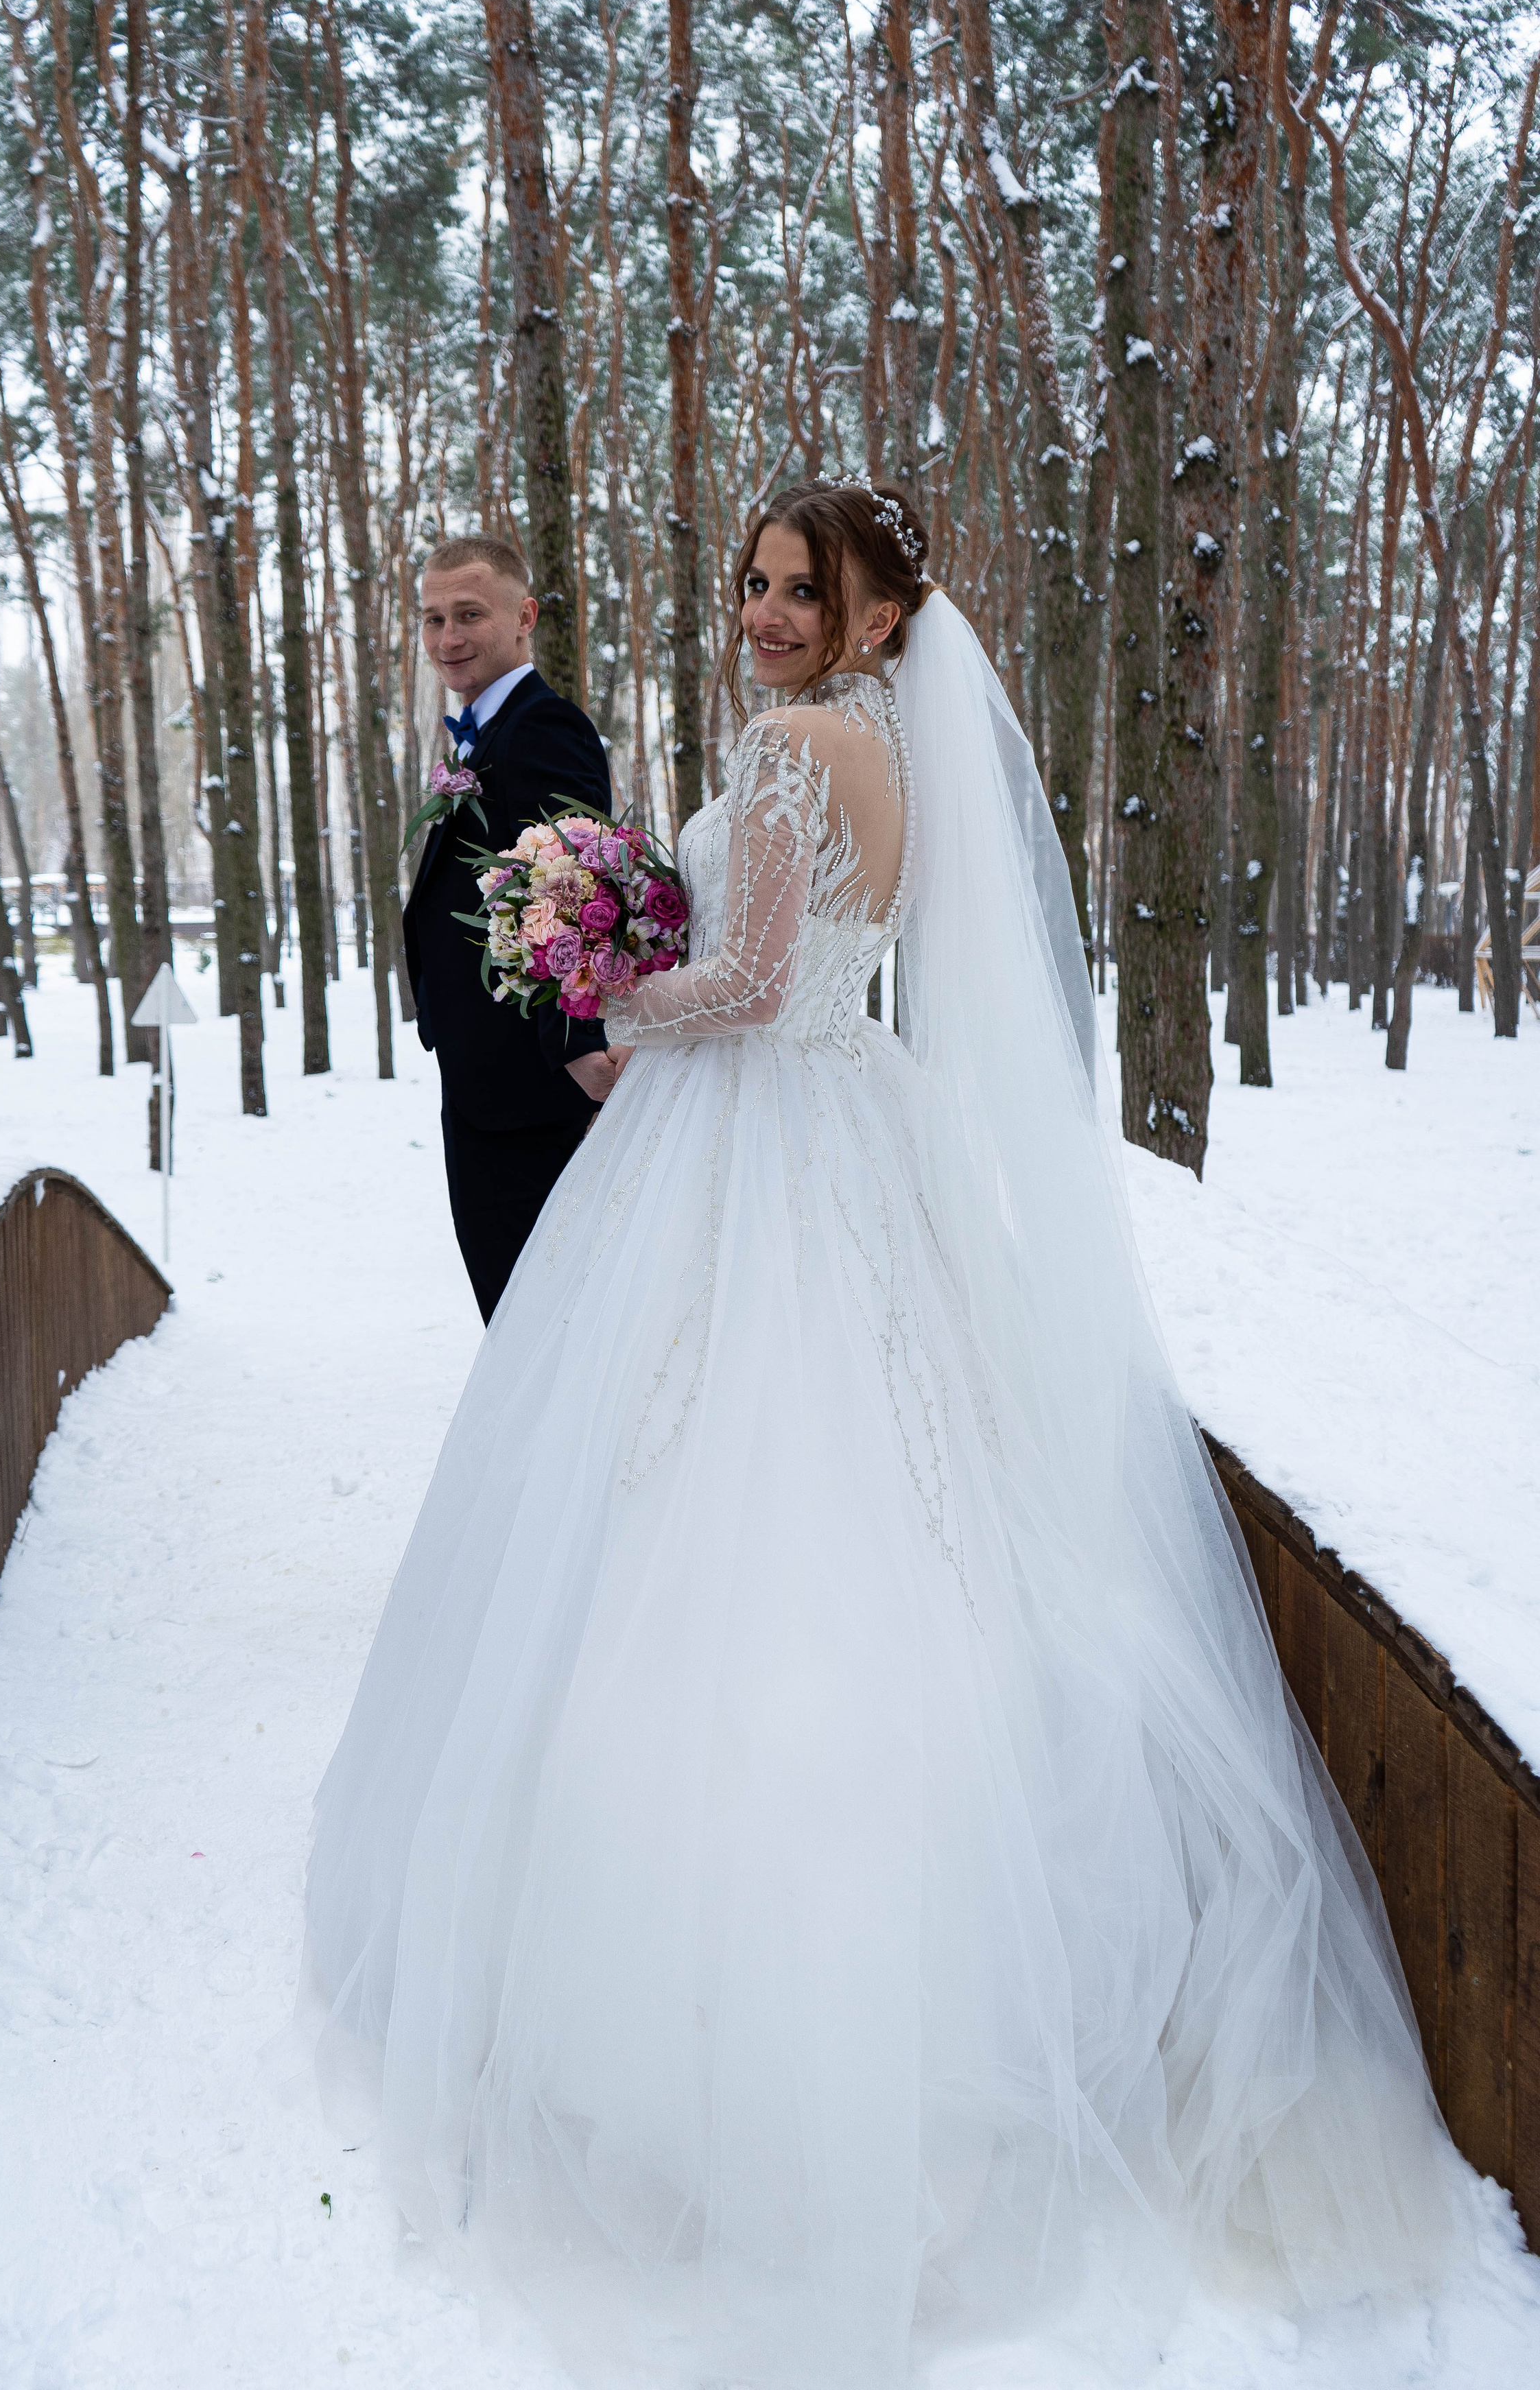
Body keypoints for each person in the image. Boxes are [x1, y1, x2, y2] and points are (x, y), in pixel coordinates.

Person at [305, 483, 1468, 2385]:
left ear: (865, 612)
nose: (762, 612)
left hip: (762, 1146)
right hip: (865, 1139)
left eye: (799, 590)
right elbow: (831, 964)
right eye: (751, 582)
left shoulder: (785, 750)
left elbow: (755, 990)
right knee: (919, 1521)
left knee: (733, 1531)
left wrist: (601, 1006)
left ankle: (737, 2044)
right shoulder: (904, 761)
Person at [402, 535, 628, 1321]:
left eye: (469, 614)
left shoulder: (544, 728)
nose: (447, 638)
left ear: (525, 615)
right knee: (519, 1320)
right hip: (483, 1079)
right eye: (432, 619)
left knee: (536, 1325)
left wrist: (577, 1046)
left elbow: (576, 887)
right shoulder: (487, 731)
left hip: (528, 1091)